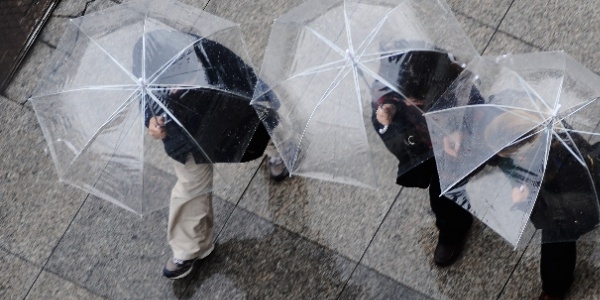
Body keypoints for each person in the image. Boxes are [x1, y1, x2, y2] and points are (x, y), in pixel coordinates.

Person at [137, 31, 285, 280]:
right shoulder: (144, 52)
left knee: (258, 132)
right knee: (189, 186)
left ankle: (279, 150)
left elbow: (244, 80)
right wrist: (151, 121)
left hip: (223, 112)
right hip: (182, 134)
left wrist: (265, 102)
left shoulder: (202, 49)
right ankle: (188, 248)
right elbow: (144, 96)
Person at [372, 49, 475, 266]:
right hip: (421, 150)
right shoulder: (400, 84)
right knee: (438, 194)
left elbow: (479, 119)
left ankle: (454, 229)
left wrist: (458, 132)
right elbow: (391, 102)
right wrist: (387, 112)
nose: (408, 103)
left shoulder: (461, 94)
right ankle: (449, 222)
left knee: (444, 197)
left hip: (450, 158)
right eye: (406, 98)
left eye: (415, 101)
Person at [483, 110, 599, 300]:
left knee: (557, 243)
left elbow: (558, 216)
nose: (511, 160)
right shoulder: (538, 127)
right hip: (562, 183)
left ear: (524, 149)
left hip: (577, 203)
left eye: (512, 155)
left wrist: (526, 202)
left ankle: (555, 289)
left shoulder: (566, 166)